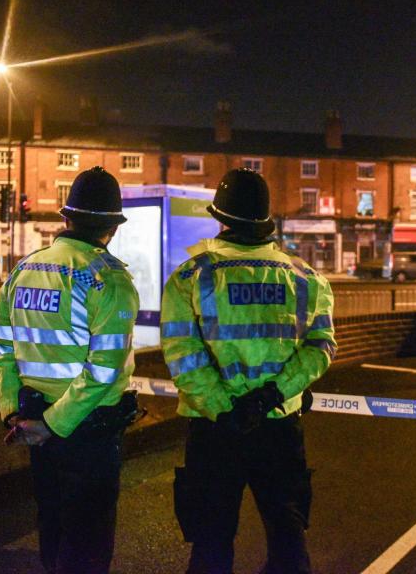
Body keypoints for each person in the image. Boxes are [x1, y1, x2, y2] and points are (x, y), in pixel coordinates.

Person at [162, 168, 336, 574]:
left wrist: (226, 410)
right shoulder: (306, 279)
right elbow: (321, 347)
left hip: (215, 431)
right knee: (288, 538)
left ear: (221, 220)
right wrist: (273, 395)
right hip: (279, 426)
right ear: (266, 221)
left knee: (211, 542)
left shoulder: (191, 277)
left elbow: (183, 357)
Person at [0, 166, 140, 574]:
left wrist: (14, 413)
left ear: (65, 218)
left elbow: (0, 350)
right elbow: (104, 370)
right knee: (88, 544)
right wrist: (54, 424)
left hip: (34, 424)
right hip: (86, 432)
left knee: (52, 530)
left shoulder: (22, 271)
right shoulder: (109, 279)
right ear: (112, 226)